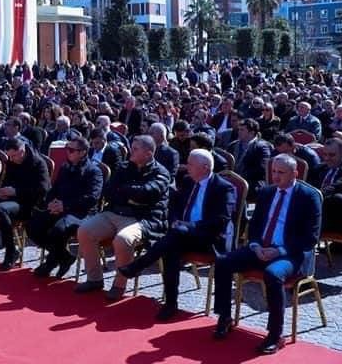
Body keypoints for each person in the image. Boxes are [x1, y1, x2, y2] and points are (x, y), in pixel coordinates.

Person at [212, 153, 321, 355]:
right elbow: (254, 226)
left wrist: (279, 250)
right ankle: (224, 316)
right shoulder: (267, 192)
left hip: (291, 253)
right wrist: (255, 246)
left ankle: (275, 334)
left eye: (281, 172)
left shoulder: (308, 196)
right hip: (261, 248)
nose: (276, 176)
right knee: (223, 262)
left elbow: (310, 237)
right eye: (273, 171)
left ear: (295, 173)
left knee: (273, 274)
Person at [117, 148, 236, 320]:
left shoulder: (223, 188)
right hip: (182, 235)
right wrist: (174, 220)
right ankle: (171, 303)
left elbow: (220, 221)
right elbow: (174, 206)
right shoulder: (188, 181)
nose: (186, 167)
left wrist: (189, 226)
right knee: (171, 248)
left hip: (209, 237)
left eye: (191, 164)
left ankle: (139, 265)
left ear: (205, 167)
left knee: (173, 238)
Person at [75, 135, 171, 300]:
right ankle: (94, 279)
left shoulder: (161, 172)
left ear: (148, 153)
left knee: (123, 239)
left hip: (141, 218)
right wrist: (131, 195)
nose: (130, 151)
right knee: (84, 230)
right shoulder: (124, 167)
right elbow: (109, 191)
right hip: (114, 212)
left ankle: (119, 285)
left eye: (135, 149)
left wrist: (125, 191)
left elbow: (148, 193)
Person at [0, 136, 50, 270]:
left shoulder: (38, 163)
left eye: (14, 156)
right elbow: (7, 179)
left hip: (28, 203)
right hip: (10, 199)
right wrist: (2, 190)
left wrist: (16, 191)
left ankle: (11, 251)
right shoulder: (13, 161)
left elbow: (43, 189)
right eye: (9, 156)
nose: (11, 159)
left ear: (22, 151)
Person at [28, 137, 103, 279]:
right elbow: (54, 189)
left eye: (72, 150)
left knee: (59, 229)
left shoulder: (93, 171)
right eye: (67, 149)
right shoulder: (65, 167)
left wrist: (65, 205)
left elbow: (91, 198)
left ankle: (51, 262)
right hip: (61, 208)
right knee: (33, 226)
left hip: (82, 212)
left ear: (83, 152)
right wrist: (51, 203)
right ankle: (64, 257)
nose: (68, 152)